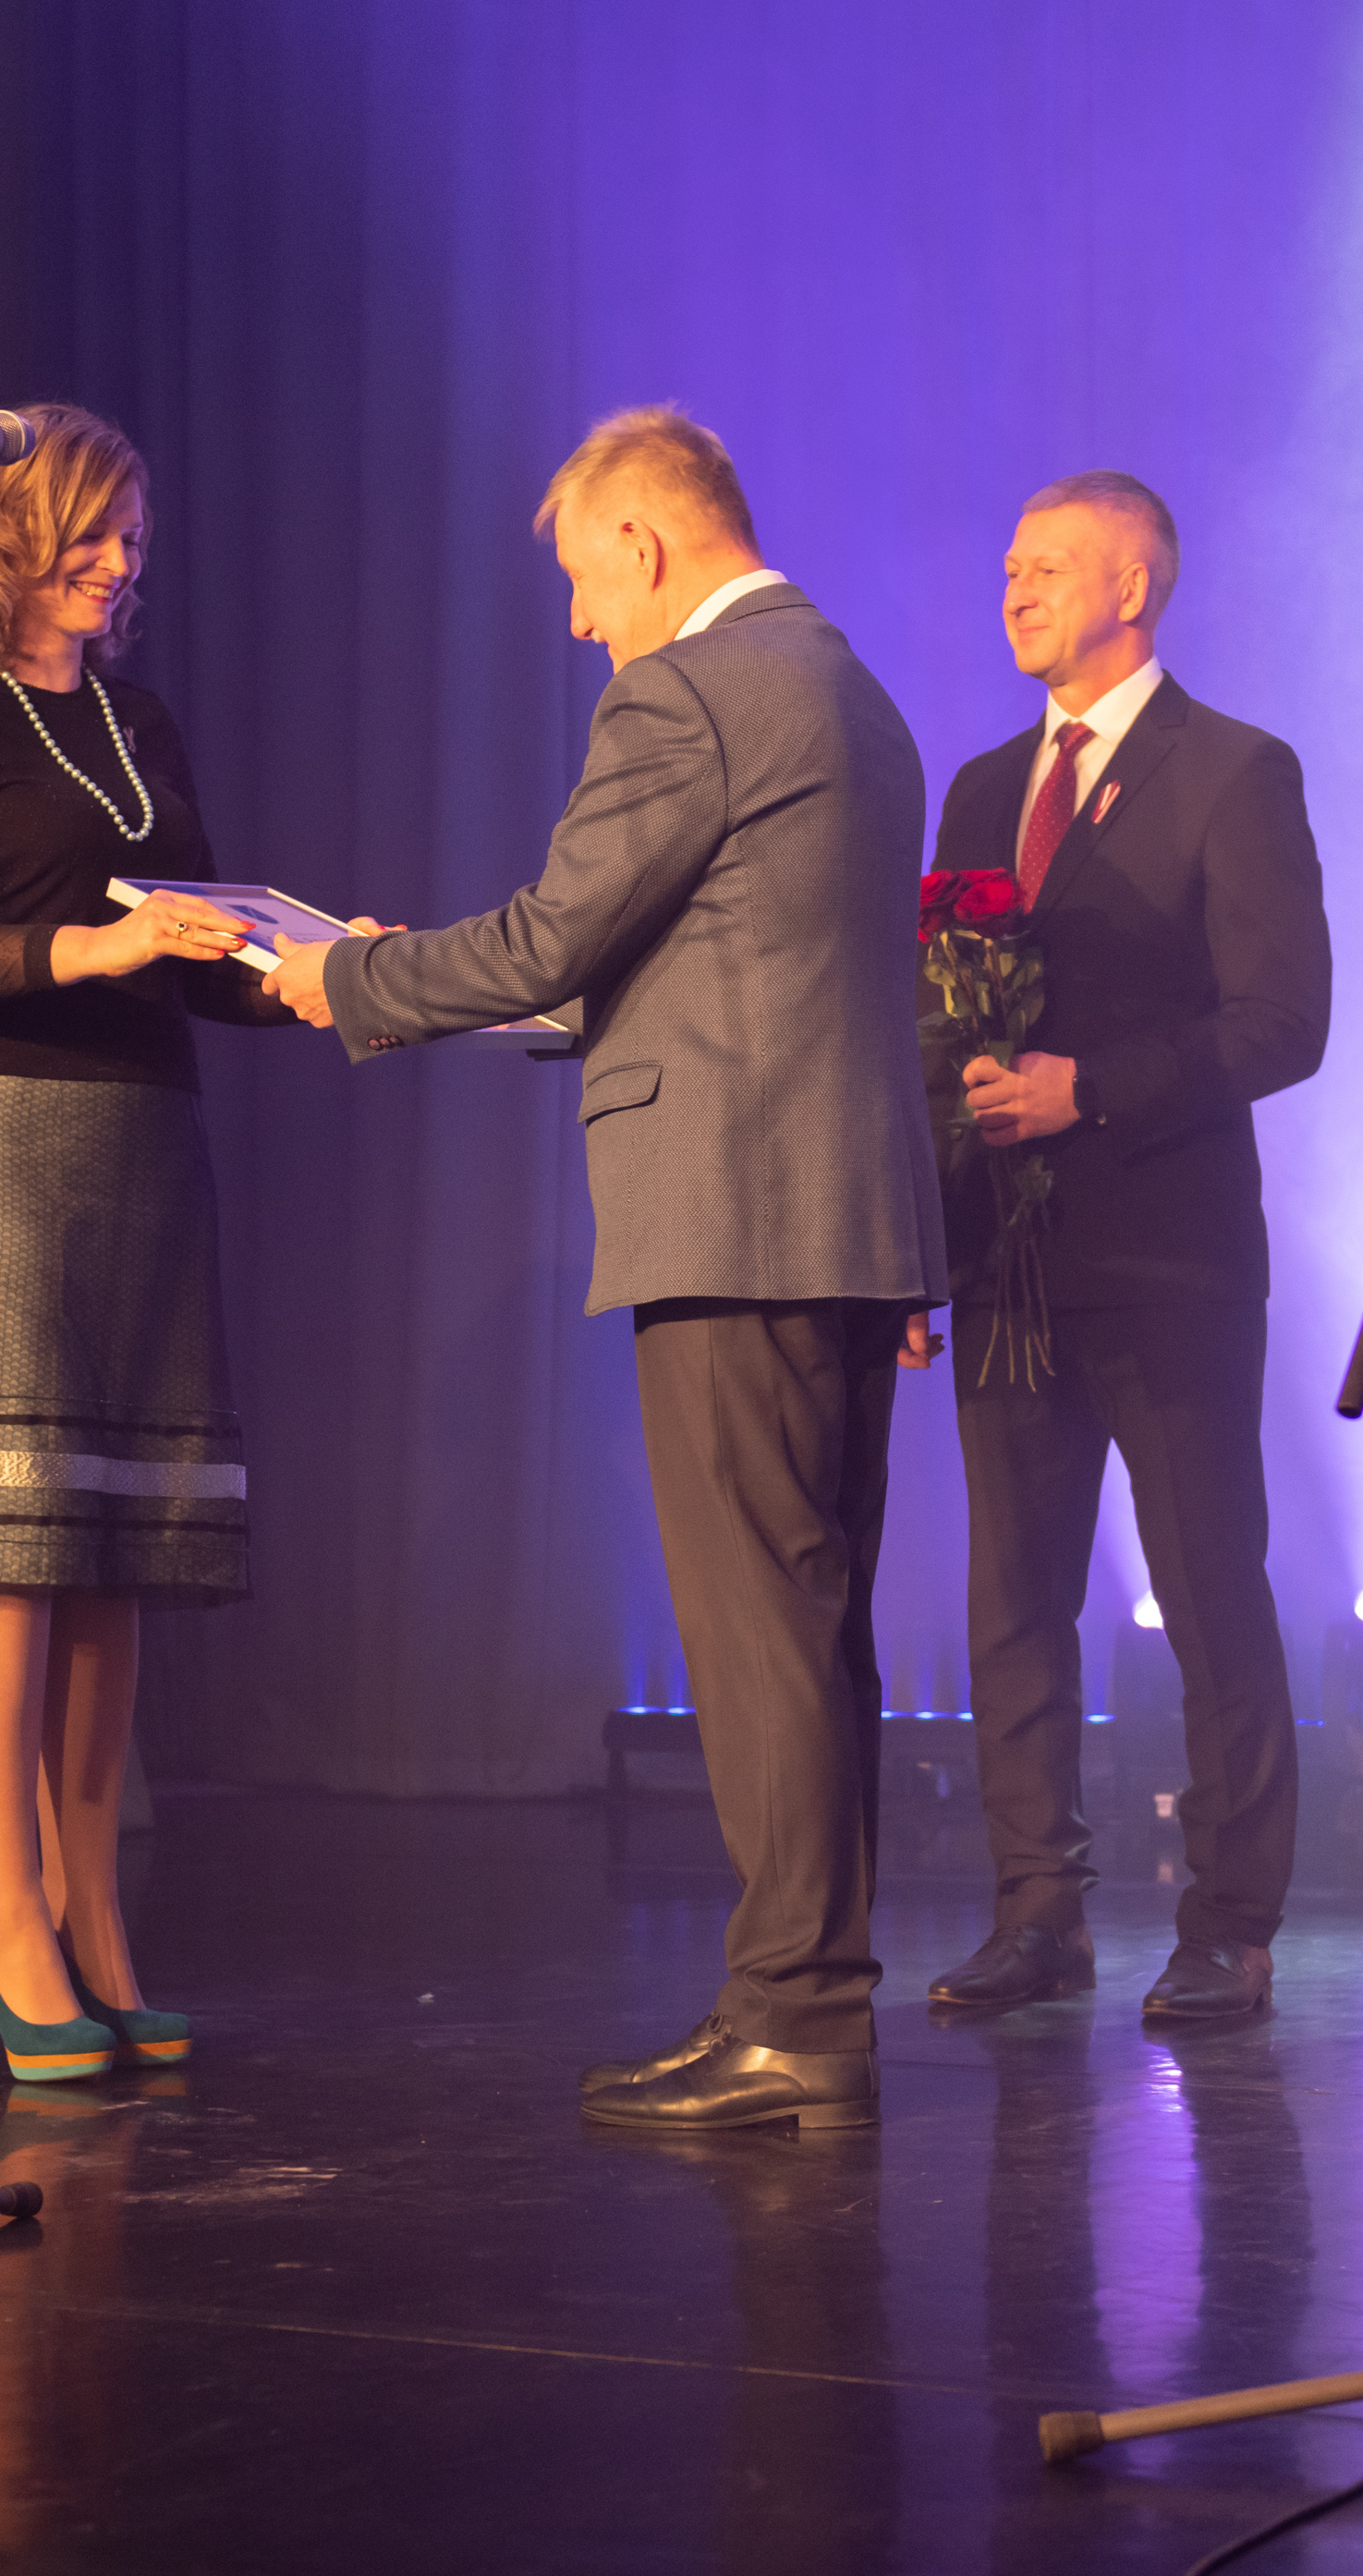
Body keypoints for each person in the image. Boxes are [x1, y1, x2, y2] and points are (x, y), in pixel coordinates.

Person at [268, 406, 946, 2131]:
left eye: (583, 578)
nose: (579, 620)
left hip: (734, 1215)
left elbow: (557, 933)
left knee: (760, 1632)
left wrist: (348, 981)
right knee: (813, 1630)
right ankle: (800, 2003)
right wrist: (417, 978)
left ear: (643, 543)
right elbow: (705, 960)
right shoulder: (855, 691)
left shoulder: (688, 691)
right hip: (846, 1219)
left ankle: (797, 2022)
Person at [0, 401, 294, 2082]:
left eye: (130, 537)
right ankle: (7, 1916)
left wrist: (326, 972)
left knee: (112, 1548)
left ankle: (96, 1918)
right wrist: (78, 956)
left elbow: (195, 952)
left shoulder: (136, 719)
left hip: (143, 1141)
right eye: (90, 532)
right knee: (5, 1541)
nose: (118, 561)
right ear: (9, 534)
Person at [923, 470, 1331, 2021]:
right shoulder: (981, 791)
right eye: (1007, 566)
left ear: (1134, 586)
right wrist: (921, 1238)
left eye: (1048, 564)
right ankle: (1039, 1913)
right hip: (1006, 1266)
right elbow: (939, 1030)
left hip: (1170, 1264)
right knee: (1014, 1603)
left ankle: (1230, 1922)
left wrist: (1088, 1089)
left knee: (1209, 1591)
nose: (1016, 588)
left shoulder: (1233, 771)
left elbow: (1282, 1021)